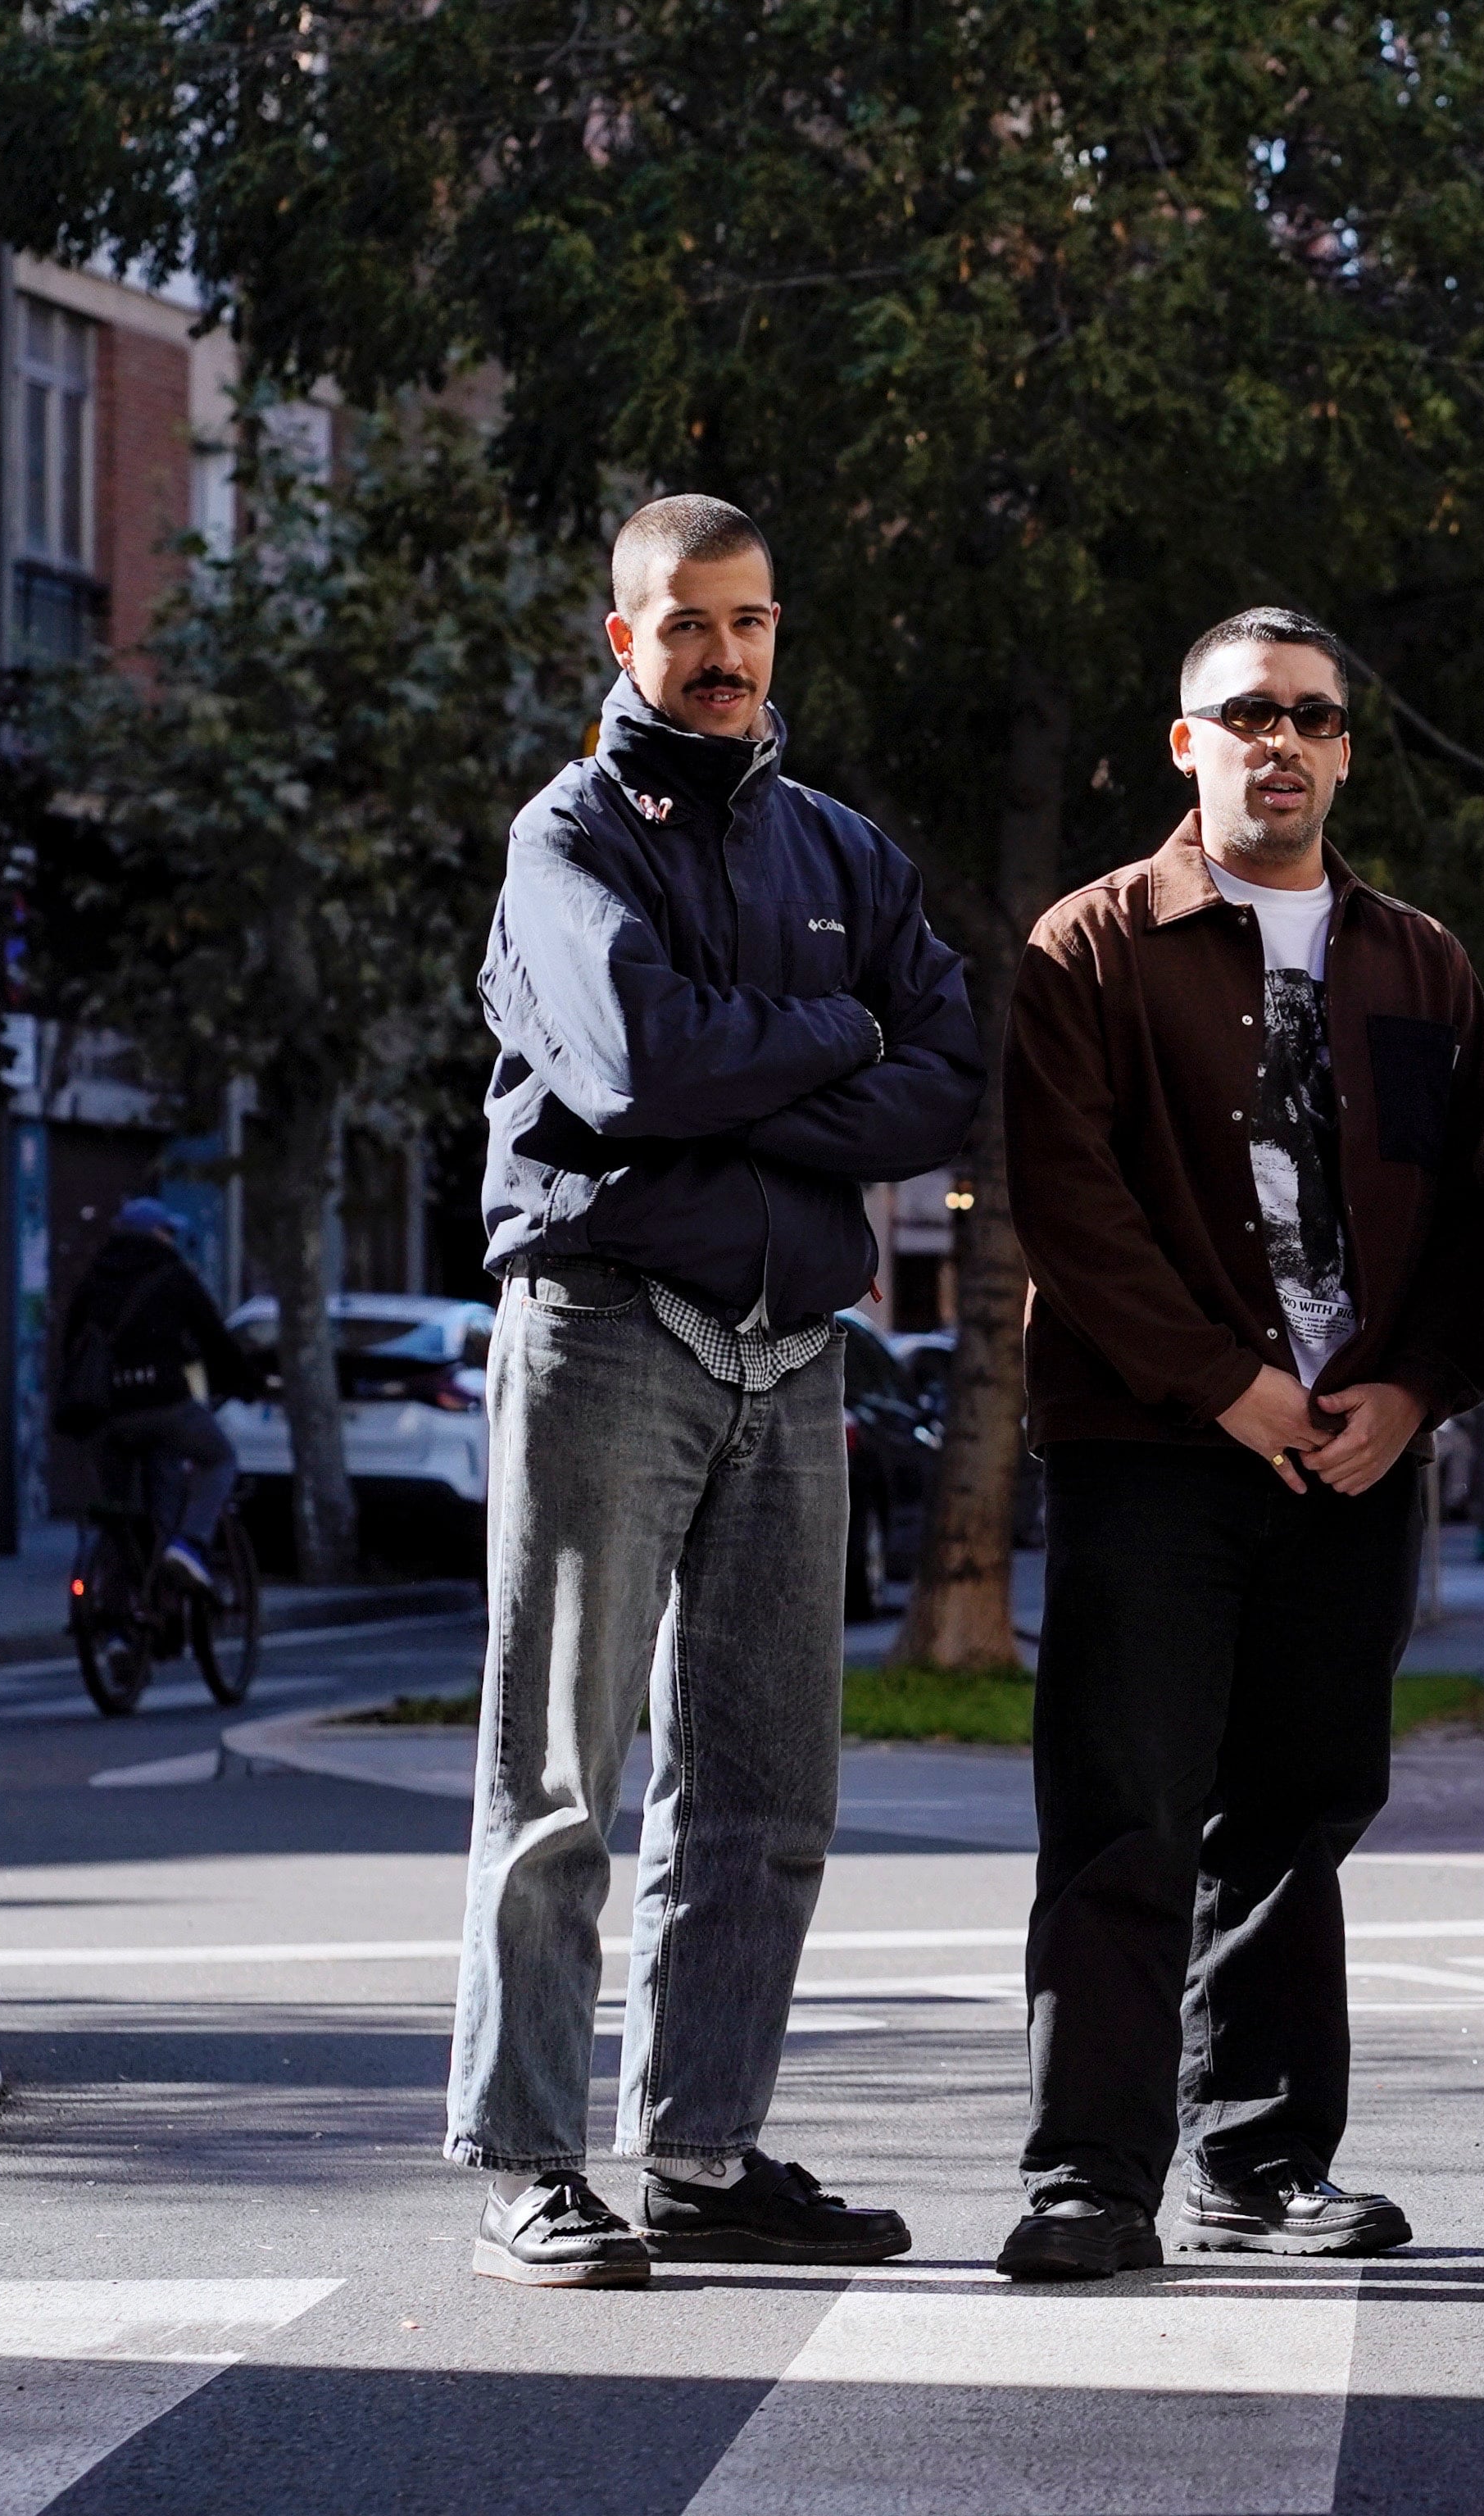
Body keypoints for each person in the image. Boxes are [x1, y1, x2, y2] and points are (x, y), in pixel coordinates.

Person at [448, 493, 985, 2288]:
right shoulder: (565, 838)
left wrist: (765, 1069)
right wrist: (834, 1042)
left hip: (792, 1347)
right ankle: (527, 2158)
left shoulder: (843, 852)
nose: (724, 653)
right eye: (686, 623)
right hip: (607, 1326)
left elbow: (945, 1075)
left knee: (765, 1786)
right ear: (624, 637)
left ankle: (699, 2148)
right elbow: (631, 1061)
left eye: (749, 621)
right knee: (560, 1777)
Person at [998, 606, 1484, 2282]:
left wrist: (1409, 1394)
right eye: (1243, 715)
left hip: (1350, 1457)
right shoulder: (1088, 949)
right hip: (1154, 1446)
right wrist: (1226, 1383)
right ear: (1185, 744)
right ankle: (1087, 2174)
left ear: (1344, 749)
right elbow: (1068, 1211)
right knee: (1122, 1808)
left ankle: (1265, 2165)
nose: (1276, 743)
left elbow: (1466, 1218)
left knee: (1297, 1813)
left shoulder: (1416, 961)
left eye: (1308, 717)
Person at [53, 1197, 261, 1592]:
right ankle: (188, 1545)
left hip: (109, 1415)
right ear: (154, 1234)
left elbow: (71, 1346)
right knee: (219, 1459)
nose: (171, 1240)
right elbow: (214, 1339)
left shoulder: (93, 1279)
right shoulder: (173, 1275)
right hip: (166, 1405)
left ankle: (117, 1629)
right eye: (168, 1232)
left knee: (118, 1518)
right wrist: (244, 1383)